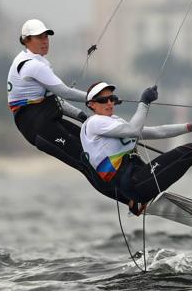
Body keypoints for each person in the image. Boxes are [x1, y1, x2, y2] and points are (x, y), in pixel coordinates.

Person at [80, 81, 192, 214]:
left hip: (138, 179)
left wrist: (190, 126)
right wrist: (144, 102)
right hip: (135, 183)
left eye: (112, 98)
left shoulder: (114, 123)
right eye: (103, 100)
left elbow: (156, 132)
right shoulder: (95, 122)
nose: (109, 103)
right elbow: (134, 129)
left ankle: (137, 202)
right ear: (91, 105)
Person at [7, 19, 118, 201]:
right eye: (38, 37)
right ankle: (129, 199)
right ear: (26, 40)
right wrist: (99, 98)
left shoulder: (37, 62)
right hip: (37, 127)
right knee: (85, 161)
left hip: (49, 120)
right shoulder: (31, 65)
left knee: (95, 148)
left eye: (46, 37)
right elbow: (64, 92)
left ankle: (132, 185)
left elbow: (55, 99)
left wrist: (81, 115)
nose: (44, 41)